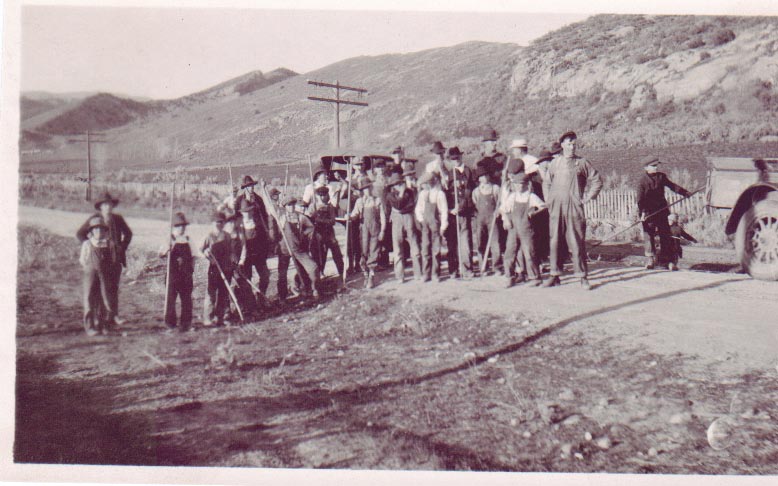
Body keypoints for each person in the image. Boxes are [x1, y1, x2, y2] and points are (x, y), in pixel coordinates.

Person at [542, 131, 603, 290]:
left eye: (574, 144)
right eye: (569, 144)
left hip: (574, 208)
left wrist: (588, 197)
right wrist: (549, 200)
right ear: (562, 145)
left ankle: (582, 277)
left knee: (576, 241)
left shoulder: (582, 163)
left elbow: (597, 180)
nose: (572, 147)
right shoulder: (555, 163)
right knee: (554, 240)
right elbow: (547, 183)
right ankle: (554, 274)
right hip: (556, 208)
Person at [76, 192, 132, 327]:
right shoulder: (95, 219)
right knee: (98, 289)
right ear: (100, 207)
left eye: (110, 205)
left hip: (115, 259)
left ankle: (114, 315)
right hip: (99, 259)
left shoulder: (118, 219)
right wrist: (90, 246)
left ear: (113, 206)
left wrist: (122, 247)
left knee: (113, 287)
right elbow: (80, 233)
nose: (108, 207)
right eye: (105, 205)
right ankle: (99, 317)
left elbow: (128, 233)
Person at [636, 155, 693, 270]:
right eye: (653, 166)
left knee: (665, 235)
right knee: (649, 235)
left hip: (661, 211)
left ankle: (668, 261)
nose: (656, 168)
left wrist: (684, 192)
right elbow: (640, 199)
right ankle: (650, 259)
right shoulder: (642, 181)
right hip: (648, 212)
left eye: (656, 165)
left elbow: (673, 186)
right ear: (646, 168)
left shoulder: (662, 177)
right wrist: (642, 213)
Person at [501, 162, 546, 287]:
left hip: (527, 229)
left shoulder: (531, 197)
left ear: (526, 184)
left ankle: (535, 277)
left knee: (529, 253)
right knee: (510, 252)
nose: (519, 187)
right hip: (513, 229)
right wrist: (506, 219)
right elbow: (503, 209)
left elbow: (543, 206)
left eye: (521, 184)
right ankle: (509, 277)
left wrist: (534, 211)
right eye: (516, 184)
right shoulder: (512, 197)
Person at [234, 175, 274, 305]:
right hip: (245, 242)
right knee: (247, 276)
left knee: (265, 275)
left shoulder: (258, 199)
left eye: (252, 185)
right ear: (244, 188)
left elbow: (264, 217)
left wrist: (267, 235)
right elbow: (234, 220)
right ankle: (249, 302)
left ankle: (261, 296)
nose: (251, 188)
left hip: (259, 240)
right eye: (248, 186)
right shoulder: (239, 201)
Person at [276, 196, 321, 300]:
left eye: (292, 204)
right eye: (288, 205)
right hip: (284, 249)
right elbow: (276, 234)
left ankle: (313, 289)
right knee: (282, 274)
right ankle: (282, 297)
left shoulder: (301, 217)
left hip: (297, 248)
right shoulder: (281, 218)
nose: (291, 207)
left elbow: (311, 228)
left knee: (313, 267)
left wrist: (302, 236)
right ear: (285, 207)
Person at [159, 212, 194, 332]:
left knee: (187, 299)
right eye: (178, 226)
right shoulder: (170, 239)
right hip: (173, 274)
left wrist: (191, 269)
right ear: (174, 227)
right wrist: (167, 249)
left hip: (186, 275)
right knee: (171, 299)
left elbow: (194, 255)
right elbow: (161, 254)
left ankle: (186, 323)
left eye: (183, 226)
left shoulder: (188, 239)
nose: (181, 228)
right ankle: (170, 323)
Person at [79, 216, 113, 336]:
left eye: (101, 229)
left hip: (104, 274)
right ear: (92, 231)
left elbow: (112, 260)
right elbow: (83, 259)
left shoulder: (108, 244)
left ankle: (103, 324)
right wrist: (90, 268)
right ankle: (90, 326)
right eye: (96, 229)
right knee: (89, 298)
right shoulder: (87, 244)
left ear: (105, 231)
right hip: (90, 274)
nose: (99, 232)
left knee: (104, 299)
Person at [349, 181, 386, 289]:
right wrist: (350, 216)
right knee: (363, 252)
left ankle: (371, 277)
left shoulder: (377, 200)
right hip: (364, 230)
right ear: (362, 191)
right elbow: (354, 215)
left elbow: (382, 216)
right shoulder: (360, 202)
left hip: (375, 229)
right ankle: (365, 274)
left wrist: (383, 230)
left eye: (369, 188)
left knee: (374, 251)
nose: (367, 190)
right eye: (365, 189)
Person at [445, 146, 475, 279]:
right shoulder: (448, 173)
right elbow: (445, 194)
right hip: (452, 213)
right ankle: (453, 269)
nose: (455, 161)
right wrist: (450, 209)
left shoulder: (468, 171)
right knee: (452, 242)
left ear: (461, 157)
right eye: (452, 159)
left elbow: (470, 192)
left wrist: (461, 206)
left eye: (457, 158)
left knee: (465, 242)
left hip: (464, 212)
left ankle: (467, 268)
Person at [386, 171, 421, 282]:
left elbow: (412, 205)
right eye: (396, 184)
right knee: (398, 249)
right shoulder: (390, 195)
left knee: (414, 246)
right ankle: (400, 276)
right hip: (397, 220)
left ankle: (418, 273)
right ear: (393, 186)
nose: (399, 186)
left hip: (409, 217)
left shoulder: (410, 192)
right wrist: (401, 195)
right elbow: (398, 205)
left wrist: (401, 207)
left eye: (400, 183)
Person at [201, 211, 233, 327]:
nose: (219, 224)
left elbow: (231, 252)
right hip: (214, 269)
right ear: (212, 223)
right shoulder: (209, 236)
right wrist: (207, 255)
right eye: (217, 222)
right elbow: (200, 250)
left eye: (221, 222)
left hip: (226, 268)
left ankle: (219, 318)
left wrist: (233, 262)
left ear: (224, 223)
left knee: (223, 294)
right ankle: (208, 318)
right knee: (211, 294)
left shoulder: (227, 235)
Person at [416, 172, 449, 282]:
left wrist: (443, 226)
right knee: (425, 248)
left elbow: (444, 210)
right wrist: (421, 220)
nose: (424, 186)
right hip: (425, 224)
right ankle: (426, 273)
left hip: (435, 224)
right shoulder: (422, 194)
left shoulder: (439, 194)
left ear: (430, 183)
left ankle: (435, 273)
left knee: (435, 249)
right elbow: (418, 209)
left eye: (425, 184)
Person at [311, 185, 345, 282]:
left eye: (324, 195)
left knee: (336, 252)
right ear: (317, 196)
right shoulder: (314, 206)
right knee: (320, 254)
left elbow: (333, 221)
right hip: (318, 234)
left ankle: (342, 272)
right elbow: (309, 219)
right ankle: (320, 273)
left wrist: (320, 220)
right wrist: (314, 217)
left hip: (329, 233)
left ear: (327, 195)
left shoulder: (330, 207)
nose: (323, 197)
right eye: (320, 195)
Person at [472, 166, 502, 274]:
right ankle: (483, 266)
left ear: (489, 176)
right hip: (480, 219)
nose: (484, 178)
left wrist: (497, 211)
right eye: (481, 176)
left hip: (492, 218)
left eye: (485, 175)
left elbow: (500, 202)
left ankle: (497, 266)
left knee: (495, 242)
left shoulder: (495, 188)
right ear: (479, 179)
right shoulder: (476, 191)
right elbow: (475, 204)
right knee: (480, 242)